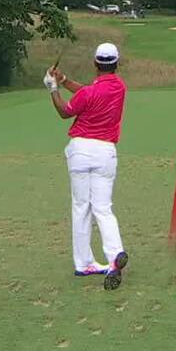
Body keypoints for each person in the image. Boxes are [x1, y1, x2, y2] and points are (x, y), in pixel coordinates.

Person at [47, 43, 130, 290]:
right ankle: (115, 255)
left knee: (81, 207)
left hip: (81, 152)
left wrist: (53, 88)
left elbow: (66, 111)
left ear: (95, 64)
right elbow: (87, 93)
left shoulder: (88, 93)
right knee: (103, 208)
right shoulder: (119, 88)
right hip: (105, 153)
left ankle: (84, 263)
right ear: (117, 63)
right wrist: (64, 80)